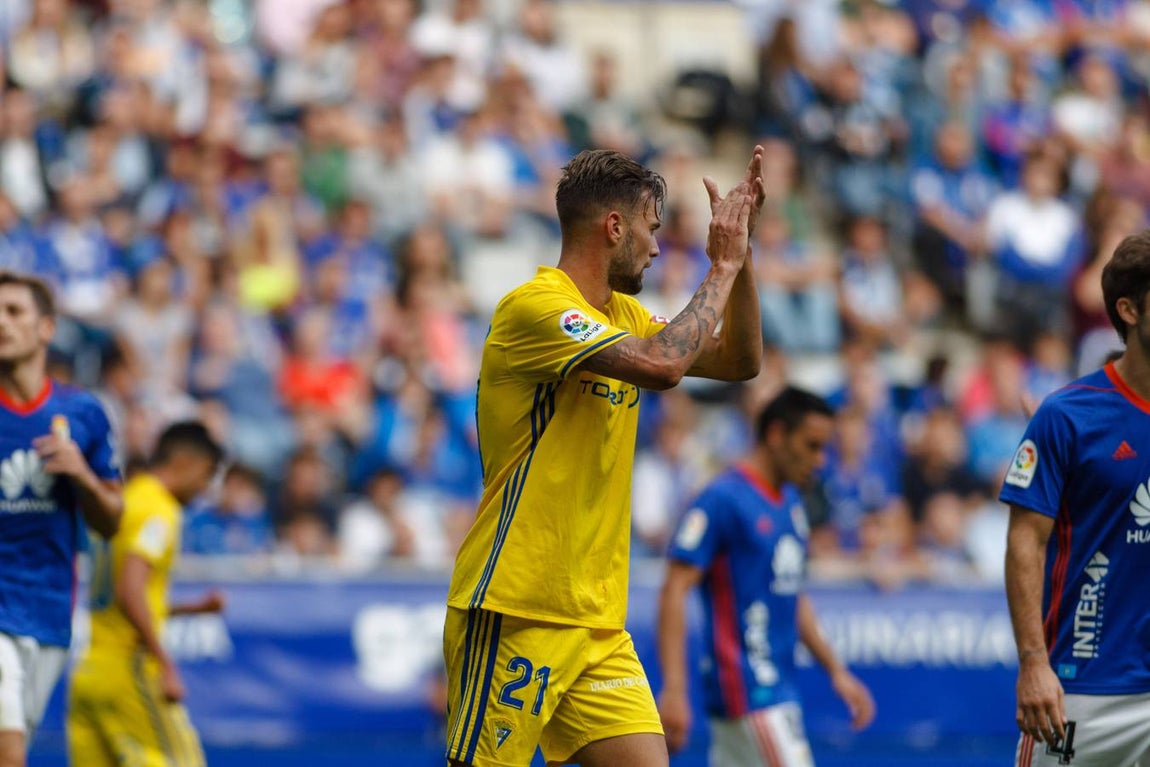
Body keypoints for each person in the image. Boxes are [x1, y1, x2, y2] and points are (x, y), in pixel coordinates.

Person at [442, 146, 766, 767]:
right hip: (517, 606)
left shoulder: (626, 315)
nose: (655, 247)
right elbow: (664, 366)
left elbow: (740, 361)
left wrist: (742, 255)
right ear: (614, 227)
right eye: (650, 229)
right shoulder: (534, 307)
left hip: (596, 622)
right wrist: (718, 268)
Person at [657, 387, 875, 766]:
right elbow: (675, 587)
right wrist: (674, 689)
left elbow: (791, 591)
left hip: (775, 689)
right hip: (750, 691)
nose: (820, 460)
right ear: (776, 435)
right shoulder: (723, 499)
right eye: (812, 446)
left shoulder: (790, 501)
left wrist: (835, 670)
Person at [1003, 229, 1150, 766]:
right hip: (1081, 687)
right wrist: (1033, 664)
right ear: (1129, 310)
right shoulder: (1067, 416)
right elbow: (1025, 543)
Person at [0, 270, 123, 767]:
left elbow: (112, 520)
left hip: (49, 609)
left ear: (46, 328)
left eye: (14, 312)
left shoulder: (84, 413)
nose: (1, 323)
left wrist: (81, 475)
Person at [68, 420, 227, 767]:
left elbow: (123, 592)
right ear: (186, 461)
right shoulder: (158, 510)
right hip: (130, 668)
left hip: (89, 673)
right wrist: (165, 663)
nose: (204, 488)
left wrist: (190, 610)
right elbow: (129, 589)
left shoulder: (122, 501)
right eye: (207, 474)